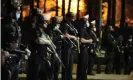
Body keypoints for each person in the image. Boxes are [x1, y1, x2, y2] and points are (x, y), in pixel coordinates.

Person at [26, 13, 51, 80]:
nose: (47, 23)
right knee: (34, 76)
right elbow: (38, 41)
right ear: (41, 22)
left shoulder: (42, 31)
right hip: (36, 57)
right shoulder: (35, 30)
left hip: (42, 57)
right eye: (45, 22)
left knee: (44, 76)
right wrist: (47, 41)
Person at [60, 12, 78, 80]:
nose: (73, 18)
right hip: (66, 46)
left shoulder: (71, 25)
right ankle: (65, 77)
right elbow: (65, 34)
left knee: (70, 64)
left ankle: (69, 77)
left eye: (73, 16)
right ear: (68, 17)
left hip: (71, 46)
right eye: (72, 17)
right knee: (66, 64)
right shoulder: (64, 24)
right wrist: (73, 37)